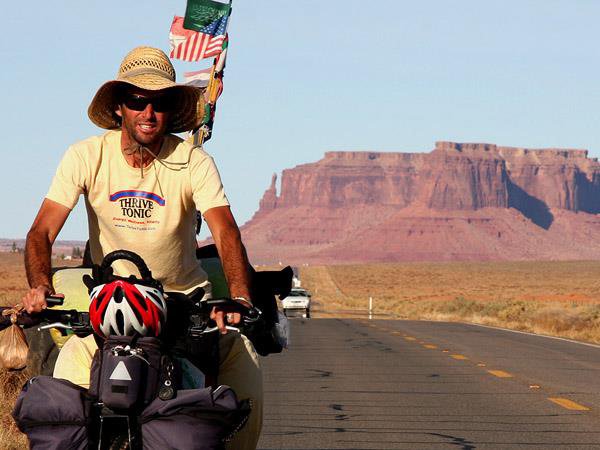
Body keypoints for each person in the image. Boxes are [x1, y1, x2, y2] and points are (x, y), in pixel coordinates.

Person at [21, 46, 261, 450]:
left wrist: (237, 297)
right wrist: (40, 285)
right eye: (137, 101)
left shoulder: (193, 161)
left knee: (242, 372)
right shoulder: (86, 156)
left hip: (182, 306)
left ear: (171, 110)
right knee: (66, 394)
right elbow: (41, 232)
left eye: (160, 102)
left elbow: (225, 231)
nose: (148, 113)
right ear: (119, 107)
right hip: (109, 309)